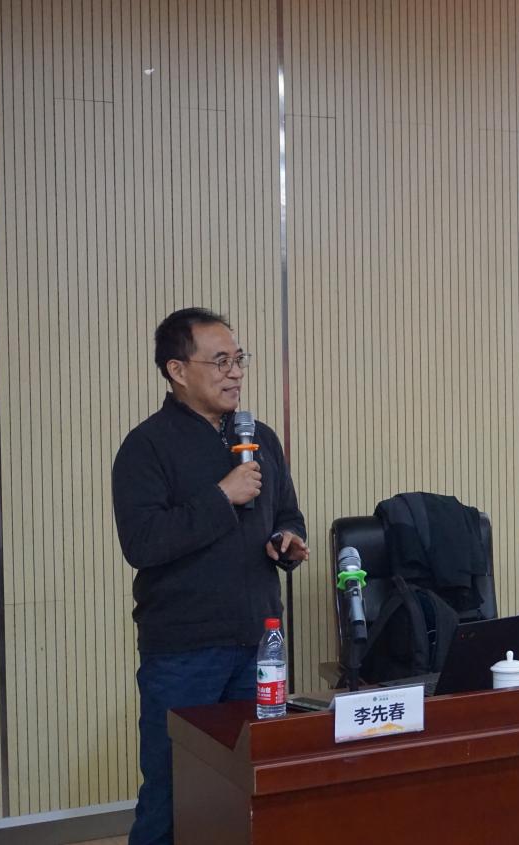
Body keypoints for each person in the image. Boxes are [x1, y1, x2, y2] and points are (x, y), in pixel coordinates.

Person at [112, 308, 309, 845]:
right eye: (220, 361)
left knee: (253, 788)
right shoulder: (146, 446)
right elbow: (143, 542)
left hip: (259, 641)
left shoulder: (260, 437)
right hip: (184, 652)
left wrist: (287, 540)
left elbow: (287, 513)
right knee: (172, 795)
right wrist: (223, 496)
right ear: (177, 370)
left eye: (239, 359)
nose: (235, 372)